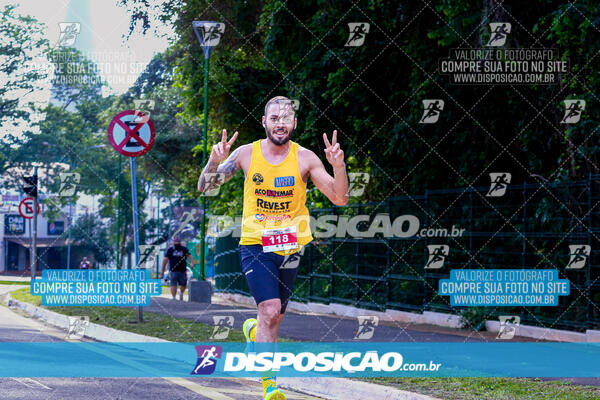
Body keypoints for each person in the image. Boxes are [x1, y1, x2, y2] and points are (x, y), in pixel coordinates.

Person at [197, 96, 348, 400]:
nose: (280, 123)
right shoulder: (245, 154)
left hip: (289, 245)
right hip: (255, 242)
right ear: (264, 122)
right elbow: (206, 187)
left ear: (294, 124)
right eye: (274, 118)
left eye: (286, 118)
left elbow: (339, 198)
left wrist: (339, 166)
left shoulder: (305, 158)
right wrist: (214, 160)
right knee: (270, 309)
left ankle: (254, 333)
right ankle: (270, 386)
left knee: (274, 318)